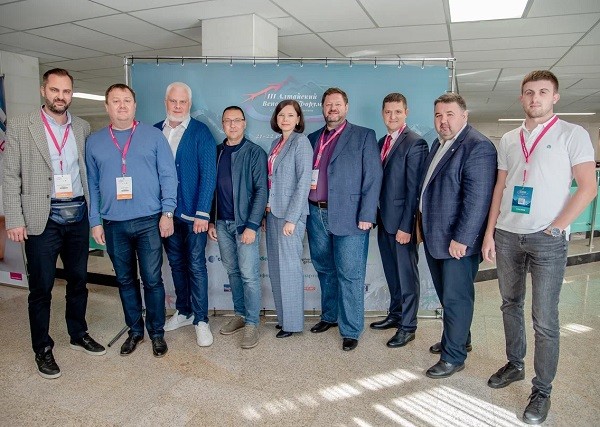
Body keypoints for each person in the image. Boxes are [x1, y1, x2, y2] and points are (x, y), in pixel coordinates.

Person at [482, 70, 597, 424]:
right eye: (529, 92)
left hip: (547, 240)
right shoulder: (509, 139)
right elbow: (500, 187)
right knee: (510, 305)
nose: (535, 98)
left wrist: (558, 226)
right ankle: (515, 364)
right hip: (507, 234)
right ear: (521, 98)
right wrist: (489, 232)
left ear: (555, 97)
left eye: (543, 92)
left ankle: (542, 390)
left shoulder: (572, 134)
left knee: (545, 319)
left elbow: (588, 186)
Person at [2, 68, 105, 379]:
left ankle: (78, 334)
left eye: (66, 91)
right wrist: (15, 219)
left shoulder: (83, 127)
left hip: (77, 214)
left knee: (78, 281)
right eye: (55, 90)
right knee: (41, 288)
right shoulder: (21, 125)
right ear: (43, 91)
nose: (61, 97)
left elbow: (88, 173)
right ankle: (42, 348)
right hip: (41, 217)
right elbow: (10, 176)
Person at [86, 83, 177, 358]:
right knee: (125, 281)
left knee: (152, 280)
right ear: (107, 107)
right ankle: (135, 331)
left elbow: (168, 176)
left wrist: (168, 213)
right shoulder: (94, 141)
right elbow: (92, 184)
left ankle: (157, 333)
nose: (122, 105)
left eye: (127, 100)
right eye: (116, 101)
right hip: (113, 223)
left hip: (149, 221)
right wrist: (95, 221)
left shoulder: (154, 136)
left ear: (135, 105)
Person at [419, 93, 496, 378]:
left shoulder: (477, 146)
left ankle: (453, 357)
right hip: (436, 236)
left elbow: (477, 200)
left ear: (464, 115)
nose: (443, 120)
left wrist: (462, 238)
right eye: (438, 115)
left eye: (449, 114)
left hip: (456, 241)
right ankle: (459, 338)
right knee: (447, 295)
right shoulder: (439, 144)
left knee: (456, 298)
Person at [306, 87, 383, 351]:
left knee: (350, 274)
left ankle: (351, 329)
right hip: (315, 213)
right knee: (325, 269)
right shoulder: (312, 138)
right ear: (323, 108)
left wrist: (367, 214)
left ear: (346, 107)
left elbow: (373, 178)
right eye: (328, 104)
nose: (333, 108)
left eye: (337, 104)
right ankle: (330, 316)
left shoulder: (363, 136)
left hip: (351, 216)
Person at [154, 82, 217, 347]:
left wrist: (203, 213)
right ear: (166, 102)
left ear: (189, 104)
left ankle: (201, 320)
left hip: (194, 216)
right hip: (166, 215)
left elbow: (209, 174)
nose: (178, 106)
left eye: (183, 102)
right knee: (176, 264)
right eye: (173, 101)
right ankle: (183, 311)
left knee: (196, 265)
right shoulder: (155, 131)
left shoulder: (200, 132)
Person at [371, 93, 429, 349]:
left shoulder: (415, 143)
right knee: (392, 274)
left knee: (406, 276)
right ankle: (395, 315)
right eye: (388, 112)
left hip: (402, 224)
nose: (392, 116)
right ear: (382, 114)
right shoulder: (382, 142)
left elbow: (414, 190)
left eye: (397, 111)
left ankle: (408, 326)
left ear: (406, 112)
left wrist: (406, 226)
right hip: (384, 220)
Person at [208, 106, 267, 349]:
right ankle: (240, 315)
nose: (232, 125)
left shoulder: (254, 152)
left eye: (237, 120)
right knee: (233, 272)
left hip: (245, 225)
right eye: (227, 121)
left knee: (249, 275)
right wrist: (211, 220)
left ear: (244, 123)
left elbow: (261, 191)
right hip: (222, 224)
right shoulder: (216, 152)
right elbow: (210, 188)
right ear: (222, 124)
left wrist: (252, 225)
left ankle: (252, 323)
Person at [265, 100, 312, 338]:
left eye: (290, 115)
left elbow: (303, 182)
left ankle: (292, 324)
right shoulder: (275, 143)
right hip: (273, 213)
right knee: (276, 268)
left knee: (290, 270)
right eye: (281, 115)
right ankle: (284, 318)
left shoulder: (301, 142)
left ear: (298, 119)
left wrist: (292, 218)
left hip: (290, 216)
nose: (285, 119)